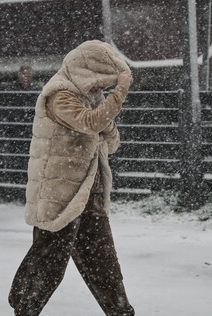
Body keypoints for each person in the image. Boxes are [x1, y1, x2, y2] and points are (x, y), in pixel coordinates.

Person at [8, 40, 135, 316]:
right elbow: (89, 123)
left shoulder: (91, 98)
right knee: (48, 265)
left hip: (89, 195)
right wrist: (120, 92)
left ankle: (122, 313)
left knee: (105, 266)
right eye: (100, 82)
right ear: (86, 73)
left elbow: (110, 142)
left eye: (107, 85)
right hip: (60, 198)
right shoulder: (59, 95)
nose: (102, 89)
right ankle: (23, 309)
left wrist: (106, 114)